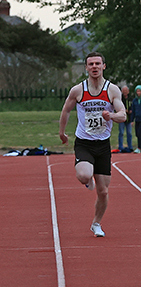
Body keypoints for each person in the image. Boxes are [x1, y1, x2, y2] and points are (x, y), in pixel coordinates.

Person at [59, 52, 126, 238]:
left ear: (104, 66)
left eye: (98, 63)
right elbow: (66, 111)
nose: (94, 67)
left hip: (103, 145)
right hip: (84, 143)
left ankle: (96, 223)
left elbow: (122, 115)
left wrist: (111, 116)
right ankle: (88, 178)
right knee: (84, 174)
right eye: (91, 64)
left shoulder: (112, 90)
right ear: (86, 68)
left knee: (103, 192)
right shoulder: (78, 90)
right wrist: (62, 132)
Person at [118, 85, 133, 152]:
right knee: (121, 133)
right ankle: (120, 147)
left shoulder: (130, 98)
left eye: (126, 91)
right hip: (122, 118)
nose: (125, 92)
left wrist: (131, 111)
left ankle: (130, 146)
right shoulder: (120, 99)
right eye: (124, 91)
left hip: (129, 118)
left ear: (128, 91)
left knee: (129, 133)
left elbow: (133, 106)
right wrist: (124, 110)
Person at [133, 85, 141, 154]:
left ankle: (139, 147)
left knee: (140, 133)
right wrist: (132, 120)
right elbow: (133, 111)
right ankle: (139, 147)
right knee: (137, 134)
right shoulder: (134, 101)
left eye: (139, 91)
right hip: (137, 119)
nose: (138, 93)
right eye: (137, 91)